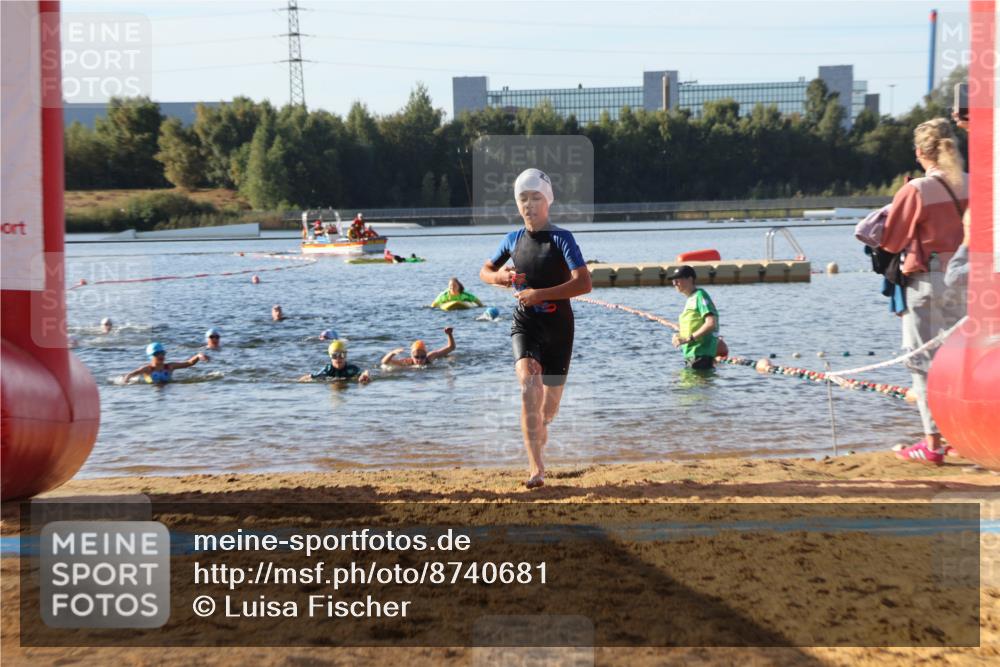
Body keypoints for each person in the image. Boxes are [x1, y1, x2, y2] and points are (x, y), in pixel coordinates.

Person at [478, 168, 591, 489]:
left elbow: (584, 283)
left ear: (548, 201)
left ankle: (540, 432)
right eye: (522, 199)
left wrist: (538, 294)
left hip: (560, 327)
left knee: (548, 409)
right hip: (525, 323)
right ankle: (536, 470)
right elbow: (485, 271)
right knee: (529, 387)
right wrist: (501, 278)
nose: (528, 205)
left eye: (535, 198)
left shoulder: (561, 238)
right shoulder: (512, 240)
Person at [880, 117, 967, 465]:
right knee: (961, 360)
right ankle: (963, 436)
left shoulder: (916, 189)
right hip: (969, 279)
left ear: (919, 152)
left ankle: (932, 442)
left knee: (922, 361)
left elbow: (891, 241)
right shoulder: (975, 183)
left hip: (928, 280)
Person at [668, 265, 720, 370]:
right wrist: (679, 336)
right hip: (692, 356)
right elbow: (692, 326)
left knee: (694, 385)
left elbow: (711, 323)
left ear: (690, 279)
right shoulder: (690, 299)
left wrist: (688, 339)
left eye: (678, 279)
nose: (674, 283)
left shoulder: (700, 296)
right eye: (673, 280)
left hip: (701, 356)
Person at [123, 342, 208, 385]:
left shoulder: (170, 366)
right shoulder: (147, 369)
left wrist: (198, 356)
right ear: (151, 356)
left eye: (162, 353)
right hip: (152, 389)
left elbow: (189, 363)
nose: (160, 356)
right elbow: (130, 375)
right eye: (157, 354)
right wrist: (126, 380)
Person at [299, 340, 371, 383]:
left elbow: (365, 372)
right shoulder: (328, 369)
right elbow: (311, 376)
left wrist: (365, 376)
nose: (338, 359)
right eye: (334, 356)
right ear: (330, 357)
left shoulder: (351, 369)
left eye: (342, 355)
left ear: (345, 356)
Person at [381, 327, 455, 367]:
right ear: (412, 356)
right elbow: (384, 362)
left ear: (426, 354)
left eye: (422, 357)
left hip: (437, 359)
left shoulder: (430, 357)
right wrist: (392, 353)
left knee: (450, 357)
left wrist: (449, 334)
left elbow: (451, 347)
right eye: (416, 357)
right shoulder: (407, 362)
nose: (419, 360)